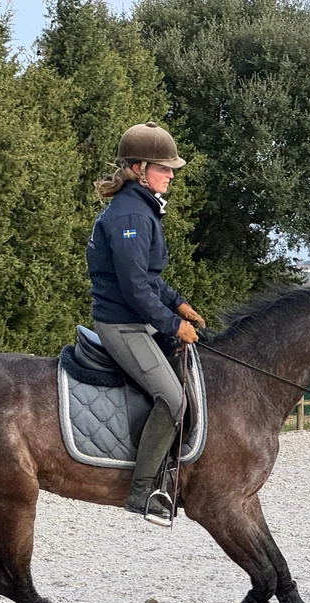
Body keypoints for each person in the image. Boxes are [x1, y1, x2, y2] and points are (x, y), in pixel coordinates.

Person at [86, 121, 205, 522]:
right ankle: (142, 492)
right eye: (164, 168)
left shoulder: (141, 209)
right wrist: (173, 326)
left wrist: (179, 303)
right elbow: (135, 288)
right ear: (138, 168)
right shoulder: (129, 216)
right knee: (174, 400)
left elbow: (151, 279)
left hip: (138, 319)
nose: (171, 174)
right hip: (122, 325)